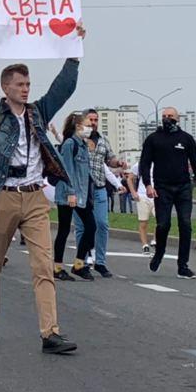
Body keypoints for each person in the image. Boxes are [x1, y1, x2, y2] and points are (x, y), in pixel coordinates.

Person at [0, 15, 83, 354]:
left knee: (42, 267)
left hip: (35, 197)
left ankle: (50, 332)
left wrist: (75, 52)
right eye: (19, 83)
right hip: (4, 197)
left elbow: (62, 89)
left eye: (27, 83)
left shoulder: (38, 112)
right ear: (7, 88)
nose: (26, 88)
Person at [139, 106, 196, 279]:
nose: (167, 119)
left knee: (185, 224)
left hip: (184, 187)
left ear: (177, 118)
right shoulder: (153, 139)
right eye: (164, 116)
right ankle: (159, 253)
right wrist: (148, 184)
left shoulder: (186, 139)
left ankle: (182, 265)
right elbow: (144, 163)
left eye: (170, 116)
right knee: (163, 224)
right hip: (162, 188)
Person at [52, 112, 98, 282]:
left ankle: (79, 264)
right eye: (88, 124)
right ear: (78, 126)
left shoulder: (83, 145)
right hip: (68, 194)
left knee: (91, 227)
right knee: (64, 230)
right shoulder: (70, 144)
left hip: (82, 194)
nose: (90, 127)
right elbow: (67, 170)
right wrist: (71, 192)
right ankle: (57, 267)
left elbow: (85, 171)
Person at [73, 109, 119, 278]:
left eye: (96, 120)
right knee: (82, 228)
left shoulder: (103, 140)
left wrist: (118, 162)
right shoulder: (76, 141)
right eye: (90, 120)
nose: (93, 123)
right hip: (81, 190)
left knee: (102, 224)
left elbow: (111, 159)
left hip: (99, 189)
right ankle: (82, 262)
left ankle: (100, 262)